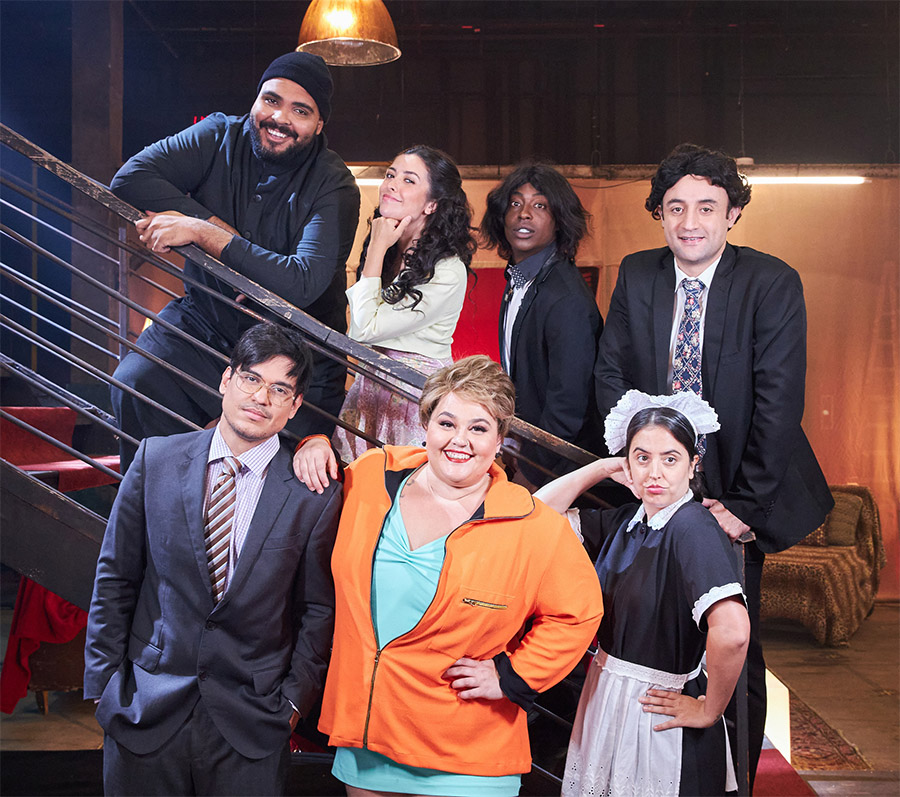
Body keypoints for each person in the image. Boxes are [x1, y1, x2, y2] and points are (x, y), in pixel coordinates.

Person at [594, 142, 833, 785]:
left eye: (707, 206)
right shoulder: (637, 274)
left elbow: (779, 403)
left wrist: (745, 508)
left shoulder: (770, 281)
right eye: (675, 207)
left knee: (733, 644)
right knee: (656, 636)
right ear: (660, 214)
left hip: (737, 489)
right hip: (654, 485)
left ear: (732, 214)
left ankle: (736, 781)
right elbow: (610, 373)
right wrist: (639, 464)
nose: (690, 221)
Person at [293, 355, 604, 797]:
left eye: (479, 428)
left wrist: (513, 675)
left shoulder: (531, 523)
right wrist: (312, 441)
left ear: (500, 439)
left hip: (469, 750)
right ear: (425, 425)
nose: (460, 440)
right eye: (446, 423)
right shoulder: (370, 477)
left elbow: (579, 612)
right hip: (366, 736)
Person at [84, 323, 341, 796]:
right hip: (144, 708)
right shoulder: (155, 459)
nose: (261, 397)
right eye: (251, 378)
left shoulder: (313, 494)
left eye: (280, 389)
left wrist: (292, 703)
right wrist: (103, 686)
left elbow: (317, 610)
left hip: (251, 722)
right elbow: (116, 576)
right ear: (226, 380)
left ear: (295, 405)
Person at [110, 51, 360, 472]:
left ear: (319, 125)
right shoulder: (217, 134)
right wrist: (212, 225)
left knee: (274, 473)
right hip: (206, 323)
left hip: (292, 349)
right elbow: (131, 179)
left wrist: (203, 233)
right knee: (137, 382)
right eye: (271, 100)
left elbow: (300, 283)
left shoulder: (334, 183)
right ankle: (154, 504)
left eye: (300, 111)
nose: (280, 118)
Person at [536, 391, 750, 797]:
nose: (655, 473)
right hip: (610, 699)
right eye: (642, 458)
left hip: (656, 714)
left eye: (670, 459)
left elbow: (734, 632)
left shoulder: (692, 528)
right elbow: (534, 516)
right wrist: (601, 467)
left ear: (693, 465)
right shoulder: (628, 521)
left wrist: (710, 709)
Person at [332, 145, 475, 461]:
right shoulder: (391, 252)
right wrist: (379, 249)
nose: (392, 185)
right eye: (390, 175)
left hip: (413, 394)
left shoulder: (447, 269)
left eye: (409, 180)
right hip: (372, 386)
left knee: (403, 483)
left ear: (432, 204)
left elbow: (364, 329)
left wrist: (377, 247)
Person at [479, 163, 603, 488]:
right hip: (526, 451)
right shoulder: (519, 279)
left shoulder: (566, 297)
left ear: (559, 220)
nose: (524, 214)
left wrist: (533, 471)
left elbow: (569, 404)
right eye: (515, 203)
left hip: (561, 471)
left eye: (540, 206)